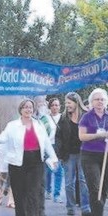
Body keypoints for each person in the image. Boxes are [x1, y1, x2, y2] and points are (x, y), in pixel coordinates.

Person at [0, 98, 58, 216]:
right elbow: (3, 139)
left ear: (33, 109)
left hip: (36, 162)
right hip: (17, 164)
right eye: (25, 107)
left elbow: (46, 143)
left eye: (30, 107)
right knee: (19, 195)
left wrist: (54, 158)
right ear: (20, 109)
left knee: (33, 194)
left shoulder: (39, 124)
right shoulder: (12, 125)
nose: (28, 109)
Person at [55, 92, 91, 216]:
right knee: (69, 183)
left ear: (76, 102)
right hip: (68, 154)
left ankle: (85, 207)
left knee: (83, 180)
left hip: (84, 153)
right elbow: (58, 136)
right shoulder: (64, 117)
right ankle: (70, 207)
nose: (67, 105)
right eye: (66, 103)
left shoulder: (86, 115)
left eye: (69, 103)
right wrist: (58, 153)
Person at [0, 95, 24, 208]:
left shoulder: (22, 94)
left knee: (15, 169)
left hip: (17, 137)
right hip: (0, 135)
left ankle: (12, 197)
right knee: (2, 170)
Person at [79, 88, 108, 216]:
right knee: (95, 188)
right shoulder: (86, 117)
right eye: (97, 99)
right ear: (92, 102)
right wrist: (99, 135)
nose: (100, 102)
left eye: (102, 99)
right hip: (89, 155)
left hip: (105, 155)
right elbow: (82, 136)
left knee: (104, 188)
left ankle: (98, 212)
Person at [45, 98, 63, 203]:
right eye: (53, 105)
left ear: (60, 106)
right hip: (48, 145)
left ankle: (57, 194)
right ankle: (48, 190)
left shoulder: (63, 118)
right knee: (48, 170)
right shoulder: (45, 118)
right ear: (50, 107)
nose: (55, 107)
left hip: (59, 146)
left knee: (58, 170)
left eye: (57, 105)